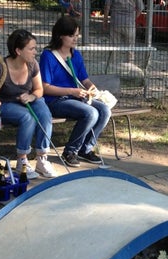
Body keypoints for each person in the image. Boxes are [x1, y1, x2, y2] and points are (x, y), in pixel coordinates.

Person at [0, 29, 58, 179]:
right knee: (27, 117)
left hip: (26, 101)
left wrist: (31, 96)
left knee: (44, 113)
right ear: (18, 50)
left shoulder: (33, 65)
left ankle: (42, 159)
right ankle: (21, 160)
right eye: (31, 49)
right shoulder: (0, 67)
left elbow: (39, 90)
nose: (35, 52)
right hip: (4, 104)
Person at [39, 16, 111, 167]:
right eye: (71, 35)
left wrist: (94, 90)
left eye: (77, 35)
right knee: (91, 113)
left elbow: (84, 79)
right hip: (55, 100)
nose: (75, 39)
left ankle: (86, 148)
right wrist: (72, 91)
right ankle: (70, 151)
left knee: (105, 110)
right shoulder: (48, 55)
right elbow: (45, 87)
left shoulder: (75, 55)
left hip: (75, 97)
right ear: (60, 35)